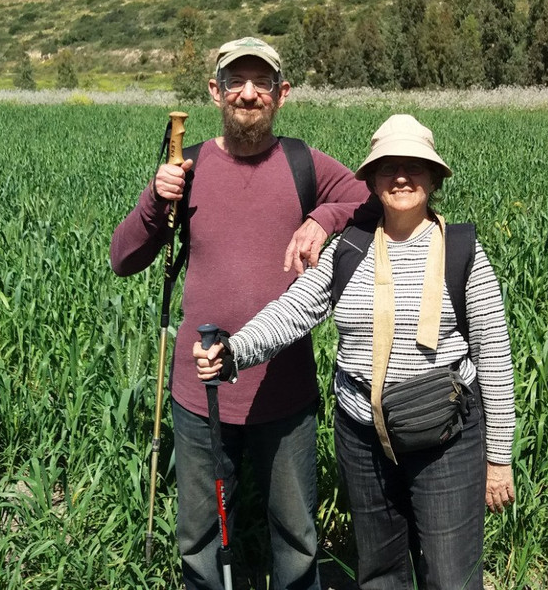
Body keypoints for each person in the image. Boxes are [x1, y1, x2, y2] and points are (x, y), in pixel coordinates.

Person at [194, 114, 517, 590]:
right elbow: (294, 311)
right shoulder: (349, 248)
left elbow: (494, 355)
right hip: (363, 438)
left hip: (445, 437)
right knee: (380, 573)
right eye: (388, 167)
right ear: (370, 180)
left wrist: (499, 458)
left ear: (433, 177)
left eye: (414, 166)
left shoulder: (462, 252)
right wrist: (234, 349)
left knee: (451, 575)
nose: (401, 177)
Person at [110, 36, 373, 590]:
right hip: (197, 389)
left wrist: (322, 219)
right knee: (199, 535)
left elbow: (369, 201)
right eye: (236, 82)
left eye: (262, 84)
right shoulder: (191, 165)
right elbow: (124, 257)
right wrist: (157, 201)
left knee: (298, 536)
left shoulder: (304, 163)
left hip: (284, 392)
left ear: (282, 94)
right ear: (215, 91)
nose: (248, 94)